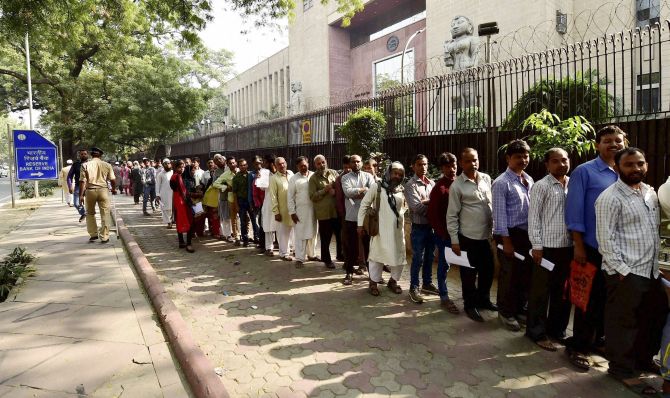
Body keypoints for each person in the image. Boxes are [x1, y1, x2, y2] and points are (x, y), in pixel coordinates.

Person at [596, 148, 667, 392]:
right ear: (617, 168)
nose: (636, 169)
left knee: (653, 318)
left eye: (640, 164)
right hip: (626, 273)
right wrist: (622, 272)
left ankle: (642, 360)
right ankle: (621, 369)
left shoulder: (649, 192)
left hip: (650, 271)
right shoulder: (609, 198)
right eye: (629, 165)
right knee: (623, 322)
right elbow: (605, 240)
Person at [564, 125, 626, 371]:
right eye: (607, 141)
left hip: (619, 251)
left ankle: (598, 341)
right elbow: (574, 211)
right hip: (591, 247)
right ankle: (578, 346)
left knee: (609, 301)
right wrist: (578, 245)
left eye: (618, 141)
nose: (613, 145)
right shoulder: (585, 172)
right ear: (597, 145)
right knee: (586, 300)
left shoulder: (626, 170)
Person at [526, 148, 573, 351]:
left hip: (568, 247)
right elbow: (533, 218)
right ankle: (536, 332)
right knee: (540, 293)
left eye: (564, 160)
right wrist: (537, 246)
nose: (561, 164)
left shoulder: (572, 184)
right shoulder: (541, 186)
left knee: (562, 293)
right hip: (546, 249)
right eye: (555, 161)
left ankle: (557, 331)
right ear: (547, 165)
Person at [447, 148, 496, 322]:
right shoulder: (457, 185)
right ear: (461, 163)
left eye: (475, 160)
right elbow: (452, 215)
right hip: (467, 238)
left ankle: (483, 300)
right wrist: (455, 241)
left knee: (488, 271)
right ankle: (470, 305)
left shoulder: (486, 179)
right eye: (468, 161)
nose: (472, 164)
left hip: (485, 237)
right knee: (468, 274)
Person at [493, 139, 534, 331]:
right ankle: (505, 312)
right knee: (509, 276)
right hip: (509, 236)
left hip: (526, 237)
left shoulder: (528, 179)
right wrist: (506, 243)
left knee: (524, 275)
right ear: (508, 158)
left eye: (526, 156)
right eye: (518, 157)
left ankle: (519, 310)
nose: (523, 160)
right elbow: (499, 216)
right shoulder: (502, 183)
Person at [358, 162, 408, 296]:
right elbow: (364, 205)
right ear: (388, 173)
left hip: (397, 231)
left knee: (399, 257)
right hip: (380, 229)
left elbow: (403, 208)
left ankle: (393, 281)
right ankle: (373, 283)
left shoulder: (401, 190)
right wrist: (360, 225)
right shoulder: (377, 187)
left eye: (400, 174)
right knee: (376, 256)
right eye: (394, 173)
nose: (396, 176)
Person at [427, 152, 459, 314]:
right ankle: (444, 296)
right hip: (445, 235)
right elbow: (433, 215)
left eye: (454, 165)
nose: (452, 169)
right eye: (448, 167)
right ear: (442, 168)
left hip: (462, 234)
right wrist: (443, 234)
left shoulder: (461, 183)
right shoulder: (439, 188)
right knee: (444, 266)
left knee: (465, 265)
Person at [405, 154, 438, 304]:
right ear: (413, 166)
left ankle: (427, 283)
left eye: (425, 164)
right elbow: (416, 207)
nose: (423, 167)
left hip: (432, 227)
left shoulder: (432, 183)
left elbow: (439, 203)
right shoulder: (410, 185)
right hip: (419, 227)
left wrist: (427, 202)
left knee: (430, 257)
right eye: (419, 164)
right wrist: (433, 204)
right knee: (418, 258)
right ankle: (413, 287)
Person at [341, 154, 374, 285]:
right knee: (351, 247)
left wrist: (360, 193)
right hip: (352, 217)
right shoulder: (345, 177)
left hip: (366, 218)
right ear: (349, 164)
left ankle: (373, 274)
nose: (356, 164)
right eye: (354, 162)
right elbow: (348, 192)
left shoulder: (368, 176)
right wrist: (363, 190)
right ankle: (349, 272)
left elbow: (372, 192)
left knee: (369, 247)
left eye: (358, 161)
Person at [79, 147, 116, 243]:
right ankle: (104, 236)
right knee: (105, 213)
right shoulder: (107, 165)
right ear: (101, 155)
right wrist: (114, 189)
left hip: (90, 191)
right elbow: (112, 179)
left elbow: (82, 181)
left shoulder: (85, 165)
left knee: (90, 213)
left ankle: (93, 234)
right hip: (103, 190)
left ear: (91, 155)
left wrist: (81, 195)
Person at [309, 154, 340, 269]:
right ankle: (327, 260)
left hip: (336, 211)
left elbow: (340, 187)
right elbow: (312, 196)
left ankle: (340, 256)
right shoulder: (313, 178)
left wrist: (335, 190)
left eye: (323, 162)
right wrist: (325, 190)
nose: (321, 165)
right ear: (315, 165)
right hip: (324, 214)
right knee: (326, 238)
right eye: (318, 163)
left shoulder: (334, 173)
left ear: (326, 161)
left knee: (339, 236)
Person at [288, 156, 317, 268]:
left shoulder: (314, 175)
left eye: (305, 165)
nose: (303, 167)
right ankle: (300, 258)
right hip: (300, 211)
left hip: (314, 210)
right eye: (301, 166)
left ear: (308, 164)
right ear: (297, 167)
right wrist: (292, 212)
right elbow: (290, 197)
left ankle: (312, 255)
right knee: (301, 235)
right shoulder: (294, 179)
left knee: (313, 233)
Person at [270, 157, 295, 260]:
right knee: (283, 233)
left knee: (294, 232)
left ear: (286, 163)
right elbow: (273, 196)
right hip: (282, 210)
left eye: (283, 163)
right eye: (279, 164)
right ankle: (283, 253)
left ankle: (295, 251)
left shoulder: (291, 174)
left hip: (294, 209)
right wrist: (276, 212)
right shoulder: (274, 178)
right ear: (276, 166)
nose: (282, 166)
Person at [170, 160, 196, 253]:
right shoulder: (177, 177)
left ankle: (181, 242)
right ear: (176, 168)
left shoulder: (175, 176)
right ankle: (188, 244)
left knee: (179, 221)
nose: (182, 169)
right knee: (189, 220)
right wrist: (189, 202)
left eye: (183, 167)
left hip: (178, 202)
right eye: (180, 167)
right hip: (182, 203)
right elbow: (182, 192)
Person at [233, 158, 256, 246]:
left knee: (254, 220)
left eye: (244, 165)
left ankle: (256, 237)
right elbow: (234, 193)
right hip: (241, 201)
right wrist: (236, 205)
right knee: (243, 221)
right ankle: (245, 239)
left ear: (247, 165)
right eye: (241, 165)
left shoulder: (251, 175)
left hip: (251, 201)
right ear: (238, 166)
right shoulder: (236, 178)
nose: (243, 167)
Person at [334, 155, 351, 262]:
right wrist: (342, 213)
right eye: (345, 167)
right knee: (344, 236)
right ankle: (344, 257)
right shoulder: (339, 179)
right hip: (344, 213)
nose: (347, 169)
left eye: (348, 167)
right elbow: (339, 198)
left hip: (356, 212)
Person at [260, 154, 278, 256]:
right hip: (269, 202)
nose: (263, 164)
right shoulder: (264, 173)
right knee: (268, 225)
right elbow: (262, 188)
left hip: (279, 202)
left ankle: (285, 248)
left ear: (270, 163)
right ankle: (269, 248)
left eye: (265, 162)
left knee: (280, 226)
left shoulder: (280, 172)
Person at [67, 149, 89, 222]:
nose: (83, 155)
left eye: (85, 154)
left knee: (90, 204)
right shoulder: (76, 164)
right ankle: (83, 213)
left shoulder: (91, 164)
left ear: (87, 155)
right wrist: (70, 186)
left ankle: (91, 220)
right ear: (79, 155)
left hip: (89, 187)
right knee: (76, 203)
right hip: (78, 187)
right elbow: (69, 176)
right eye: (81, 154)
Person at [155, 158, 174, 229]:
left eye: (168, 163)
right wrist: (157, 195)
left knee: (172, 208)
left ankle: (172, 220)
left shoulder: (173, 172)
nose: (167, 165)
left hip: (173, 193)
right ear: (163, 165)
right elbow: (157, 185)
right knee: (165, 209)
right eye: (165, 163)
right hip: (163, 194)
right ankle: (169, 223)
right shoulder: (160, 174)